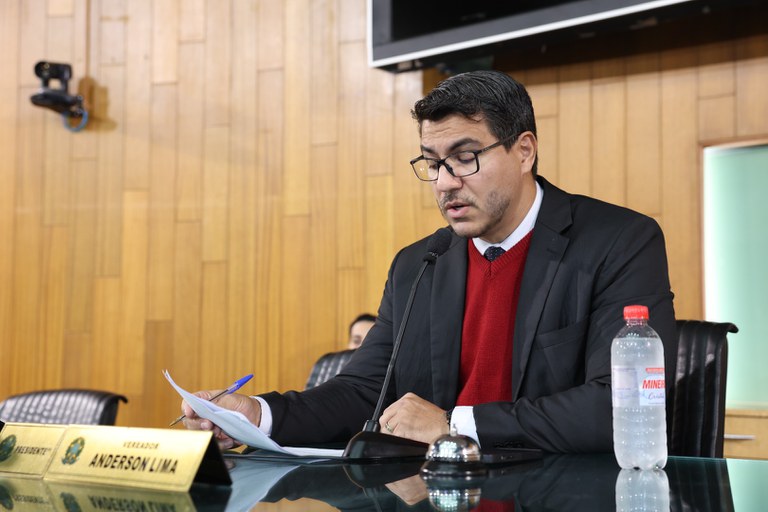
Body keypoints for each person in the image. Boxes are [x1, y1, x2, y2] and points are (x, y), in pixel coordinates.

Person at [181, 70, 677, 453]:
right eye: (433, 162)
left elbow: (623, 405)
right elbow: (363, 391)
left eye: (465, 157)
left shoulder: (617, 242)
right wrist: (257, 414)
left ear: (524, 151)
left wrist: (452, 424)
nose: (444, 182)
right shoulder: (419, 263)